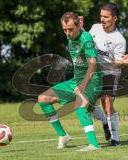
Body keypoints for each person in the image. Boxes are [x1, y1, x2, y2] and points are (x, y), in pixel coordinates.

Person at [38, 12, 102, 152]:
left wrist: (83, 85)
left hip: (93, 81)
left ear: (78, 25)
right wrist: (78, 84)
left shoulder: (86, 38)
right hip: (76, 81)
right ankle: (63, 136)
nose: (67, 33)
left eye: (70, 29)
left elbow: (93, 64)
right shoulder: (72, 36)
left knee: (80, 105)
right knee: (43, 99)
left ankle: (94, 145)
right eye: (65, 29)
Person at [89, 2, 128, 146]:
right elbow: (85, 43)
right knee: (88, 104)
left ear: (114, 18)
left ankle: (115, 139)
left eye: (106, 17)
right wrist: (80, 28)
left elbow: (116, 62)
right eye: (101, 16)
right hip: (93, 71)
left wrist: (123, 62)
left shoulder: (119, 39)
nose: (102, 19)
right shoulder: (95, 28)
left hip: (110, 72)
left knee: (106, 102)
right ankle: (104, 122)